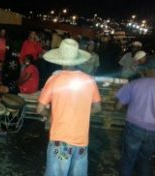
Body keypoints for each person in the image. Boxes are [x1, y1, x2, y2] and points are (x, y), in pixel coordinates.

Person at [37, 39, 101, 176]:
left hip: (60, 138)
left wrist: (50, 115)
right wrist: (80, 114)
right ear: (77, 59)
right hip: (81, 139)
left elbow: (40, 108)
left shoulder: (54, 80)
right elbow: (97, 108)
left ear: (60, 60)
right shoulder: (89, 80)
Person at [116, 69, 155, 176]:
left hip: (134, 127)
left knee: (128, 159)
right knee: (146, 161)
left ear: (146, 71)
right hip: (153, 131)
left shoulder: (134, 84)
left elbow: (118, 106)